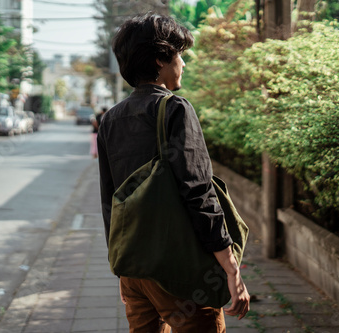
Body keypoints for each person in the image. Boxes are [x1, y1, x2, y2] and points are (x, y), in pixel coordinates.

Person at [97, 13, 250, 332]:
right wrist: (231, 270)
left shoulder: (110, 119)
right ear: (160, 60)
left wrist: (122, 265)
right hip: (177, 270)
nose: (183, 64)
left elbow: (111, 201)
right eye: (179, 56)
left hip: (134, 273)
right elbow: (198, 193)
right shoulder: (175, 109)